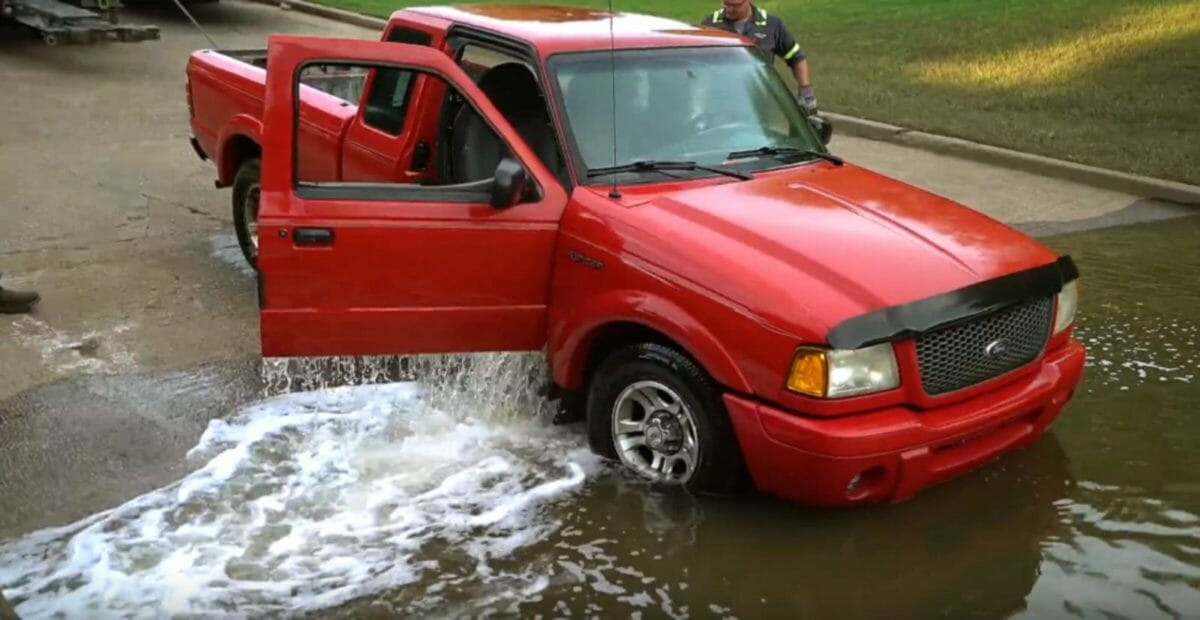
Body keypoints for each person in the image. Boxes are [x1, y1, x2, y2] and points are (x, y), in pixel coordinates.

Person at [700, 0, 818, 116]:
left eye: (735, 5)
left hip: (758, 102)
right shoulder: (710, 24)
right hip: (720, 101)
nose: (729, 9)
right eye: (726, 4)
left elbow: (795, 57)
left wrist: (805, 90)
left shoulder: (771, 25)